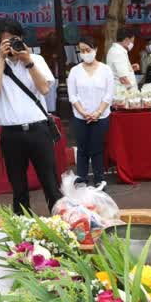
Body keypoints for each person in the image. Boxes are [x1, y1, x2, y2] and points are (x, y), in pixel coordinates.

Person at [0, 19, 62, 214]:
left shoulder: (37, 60)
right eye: (5, 41)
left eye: (14, 39)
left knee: (50, 183)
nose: (11, 45)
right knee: (18, 187)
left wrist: (28, 61)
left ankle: (60, 222)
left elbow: (44, 88)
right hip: (11, 134)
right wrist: (1, 58)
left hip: (38, 130)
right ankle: (22, 228)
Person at [67, 37, 114, 190]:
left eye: (88, 50)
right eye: (82, 51)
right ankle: (81, 178)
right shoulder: (75, 71)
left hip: (101, 116)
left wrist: (98, 112)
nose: (85, 53)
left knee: (97, 148)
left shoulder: (105, 70)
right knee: (82, 148)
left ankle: (99, 178)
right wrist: (84, 112)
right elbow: (72, 95)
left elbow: (108, 94)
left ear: (95, 50)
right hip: (80, 116)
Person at [106, 26, 140, 91]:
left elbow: (118, 70)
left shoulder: (117, 50)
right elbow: (123, 79)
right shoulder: (118, 52)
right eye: (132, 41)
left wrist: (130, 68)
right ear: (127, 40)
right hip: (123, 94)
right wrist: (132, 92)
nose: (132, 44)